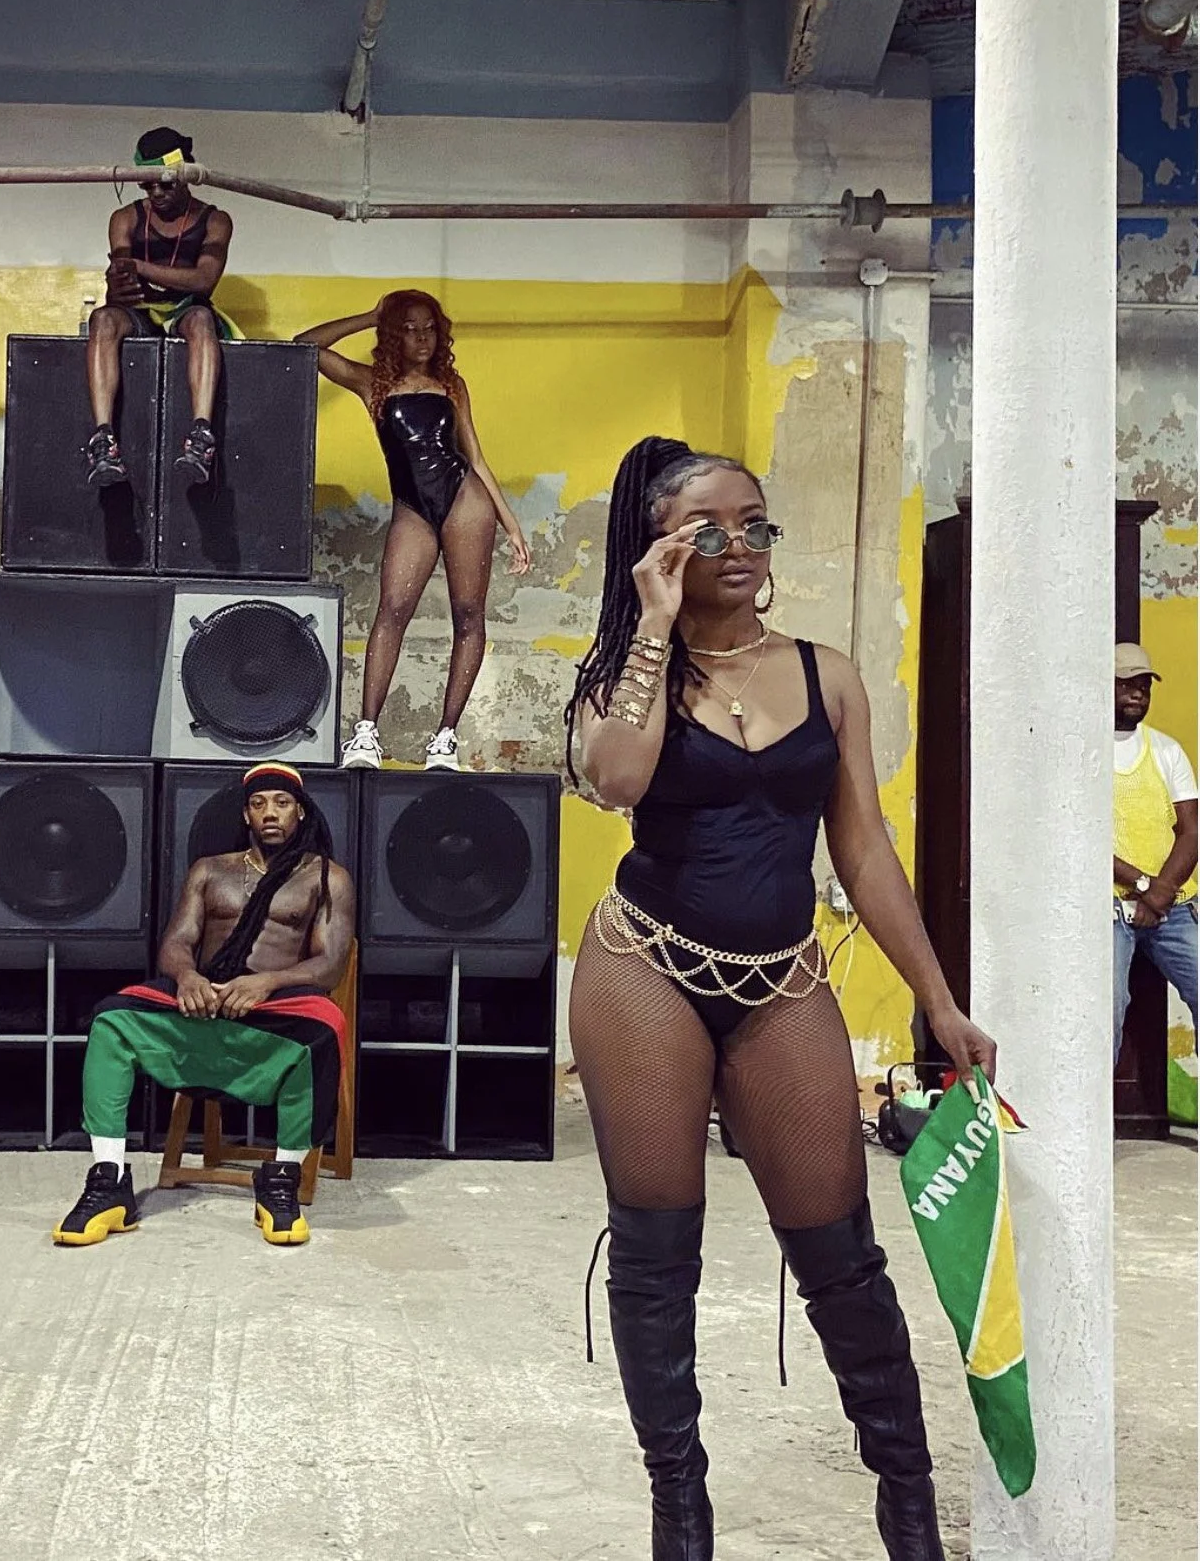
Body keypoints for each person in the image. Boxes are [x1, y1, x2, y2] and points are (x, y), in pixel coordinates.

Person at [563, 437, 996, 1561]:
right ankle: (681, 1508)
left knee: (841, 1252)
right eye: (711, 526)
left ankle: (907, 1498)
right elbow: (615, 778)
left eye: (756, 522)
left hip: (783, 976)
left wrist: (936, 999)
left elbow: (863, 849)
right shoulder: (618, 673)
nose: (742, 545)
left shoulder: (826, 672)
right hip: (643, 967)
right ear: (659, 542)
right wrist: (652, 623)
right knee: (660, 1252)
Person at [55, 762, 356, 1250]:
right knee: (113, 1018)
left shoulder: (325, 877)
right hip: (202, 1006)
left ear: (300, 812)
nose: (270, 814)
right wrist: (188, 975)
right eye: (259, 805)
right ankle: (108, 1182)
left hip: (271, 1016)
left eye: (281, 803)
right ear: (246, 814)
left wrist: (266, 983)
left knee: (325, 1030)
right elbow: (176, 942)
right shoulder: (210, 870)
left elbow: (329, 966)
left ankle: (280, 1182)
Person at [294, 291, 532, 773]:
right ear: (393, 334)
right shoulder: (371, 384)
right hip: (412, 506)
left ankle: (445, 738)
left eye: (429, 328)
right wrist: (370, 314)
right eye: (409, 328)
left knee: (468, 615)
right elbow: (306, 346)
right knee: (392, 611)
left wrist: (512, 526)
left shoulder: (451, 385)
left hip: (464, 499)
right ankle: (366, 735)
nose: (422, 337)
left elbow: (477, 459)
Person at [82, 126, 238, 488]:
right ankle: (103, 441)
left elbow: (203, 281)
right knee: (102, 320)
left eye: (164, 184)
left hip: (187, 309)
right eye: (147, 185)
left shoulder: (216, 220)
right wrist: (122, 280)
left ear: (185, 175)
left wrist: (140, 268)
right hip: (139, 311)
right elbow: (119, 286)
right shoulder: (125, 218)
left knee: (201, 319)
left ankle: (200, 437)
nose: (156, 193)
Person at [1111, 641, 1197, 1058]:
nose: (1137, 693)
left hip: (1172, 907)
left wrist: (1161, 893)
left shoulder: (1165, 750)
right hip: (1109, 908)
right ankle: (1091, 1122)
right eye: (1127, 683)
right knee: (1103, 1011)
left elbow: (1191, 831)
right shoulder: (1084, 753)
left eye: (1144, 685)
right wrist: (1143, 884)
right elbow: (1081, 839)